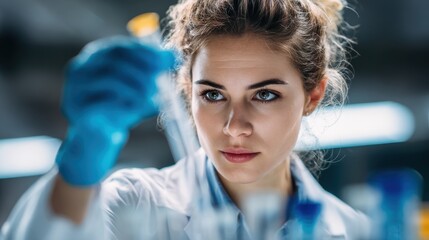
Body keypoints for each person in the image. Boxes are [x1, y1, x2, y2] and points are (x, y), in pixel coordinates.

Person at [1, 0, 369, 239]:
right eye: (212, 95)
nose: (234, 126)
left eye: (265, 95)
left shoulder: (353, 230)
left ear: (313, 95)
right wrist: (79, 164)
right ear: (186, 92)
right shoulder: (134, 204)